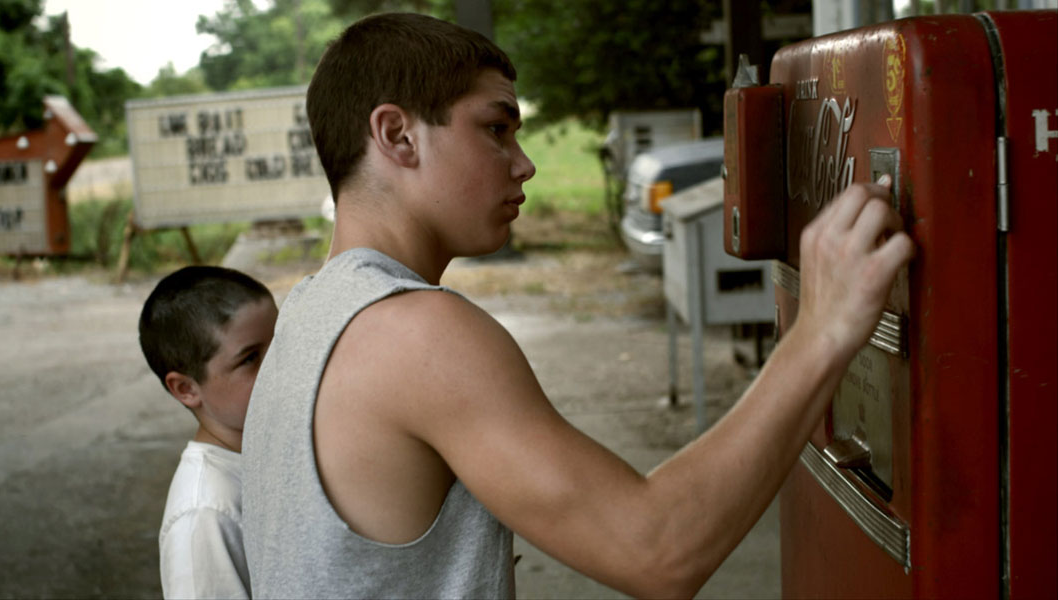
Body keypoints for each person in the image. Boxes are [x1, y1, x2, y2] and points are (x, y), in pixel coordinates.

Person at [242, 12, 914, 599]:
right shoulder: (413, 333)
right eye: (495, 128)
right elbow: (657, 550)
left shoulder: (311, 310)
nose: (523, 162)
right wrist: (820, 329)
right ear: (397, 137)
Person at [139, 266, 278, 599]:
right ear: (186, 389)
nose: (280, 364)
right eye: (251, 358)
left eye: (283, 340)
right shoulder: (204, 514)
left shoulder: (271, 452)